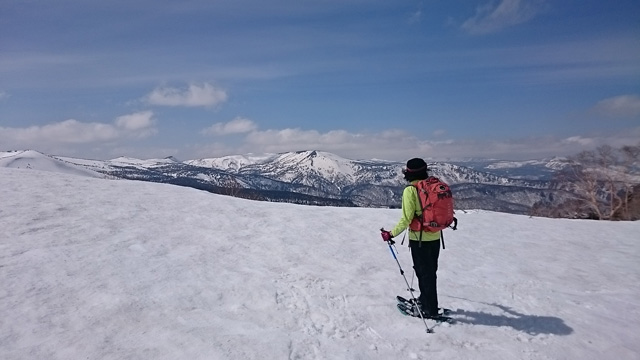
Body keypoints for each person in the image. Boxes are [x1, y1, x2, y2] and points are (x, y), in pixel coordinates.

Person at [381, 158, 442, 319]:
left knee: (424, 274)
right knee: (429, 273)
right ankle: (426, 301)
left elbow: (407, 218)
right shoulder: (432, 187)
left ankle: (430, 309)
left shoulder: (411, 190)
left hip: (419, 239)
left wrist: (391, 234)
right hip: (435, 236)